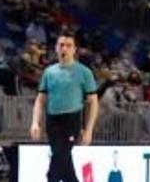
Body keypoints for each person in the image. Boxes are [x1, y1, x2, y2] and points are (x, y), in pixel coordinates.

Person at [29, 34, 99, 182]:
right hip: (52, 121)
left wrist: (89, 129)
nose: (64, 48)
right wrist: (35, 122)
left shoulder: (84, 72)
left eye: (68, 45)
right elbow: (41, 99)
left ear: (74, 49)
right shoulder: (49, 72)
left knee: (58, 162)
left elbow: (93, 102)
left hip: (71, 120)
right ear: (56, 48)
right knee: (65, 165)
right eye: (61, 45)